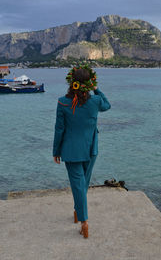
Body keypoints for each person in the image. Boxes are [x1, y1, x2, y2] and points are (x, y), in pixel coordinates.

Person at [53, 64, 111, 238]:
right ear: (89, 83)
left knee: (79, 184)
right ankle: (78, 213)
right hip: (91, 148)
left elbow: (59, 129)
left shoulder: (63, 102)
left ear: (72, 83)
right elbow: (107, 105)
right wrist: (97, 89)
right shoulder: (95, 101)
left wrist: (56, 151)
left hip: (71, 151)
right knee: (83, 183)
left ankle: (84, 221)